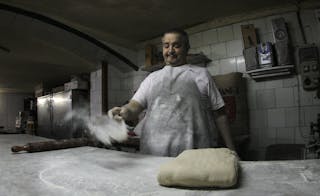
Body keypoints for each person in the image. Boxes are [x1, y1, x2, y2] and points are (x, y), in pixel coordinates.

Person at [111, 29, 235, 157]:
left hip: (194, 152)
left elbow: (220, 115)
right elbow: (135, 106)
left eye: (176, 45)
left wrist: (231, 150)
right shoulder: (152, 78)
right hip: (153, 153)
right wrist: (124, 111)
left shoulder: (201, 74)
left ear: (186, 48)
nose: (170, 50)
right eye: (166, 46)